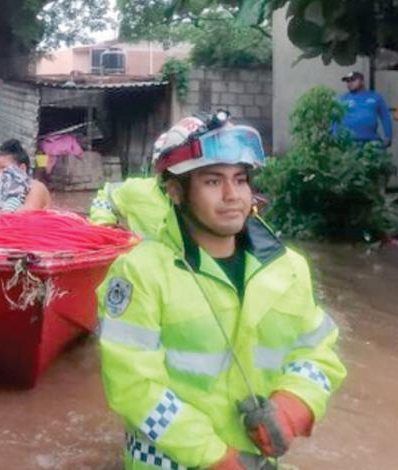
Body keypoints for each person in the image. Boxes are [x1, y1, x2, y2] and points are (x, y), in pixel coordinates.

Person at [96, 115, 346, 469]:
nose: (232, 196)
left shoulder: (288, 268)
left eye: (240, 180)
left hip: (256, 461)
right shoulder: (140, 274)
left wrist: (293, 406)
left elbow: (319, 352)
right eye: (213, 181)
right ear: (176, 192)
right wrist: (216, 458)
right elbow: (134, 386)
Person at [0, 139, 51, 213]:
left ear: (22, 168)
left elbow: (28, 214)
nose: (0, 174)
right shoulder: (3, 190)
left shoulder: (35, 187)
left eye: (4, 169)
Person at [337, 71, 392, 147]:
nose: (349, 83)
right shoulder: (342, 99)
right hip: (348, 142)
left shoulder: (375, 97)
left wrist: (388, 136)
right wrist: (334, 136)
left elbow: (385, 116)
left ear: (362, 81)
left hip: (371, 141)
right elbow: (335, 118)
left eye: (352, 80)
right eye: (347, 81)